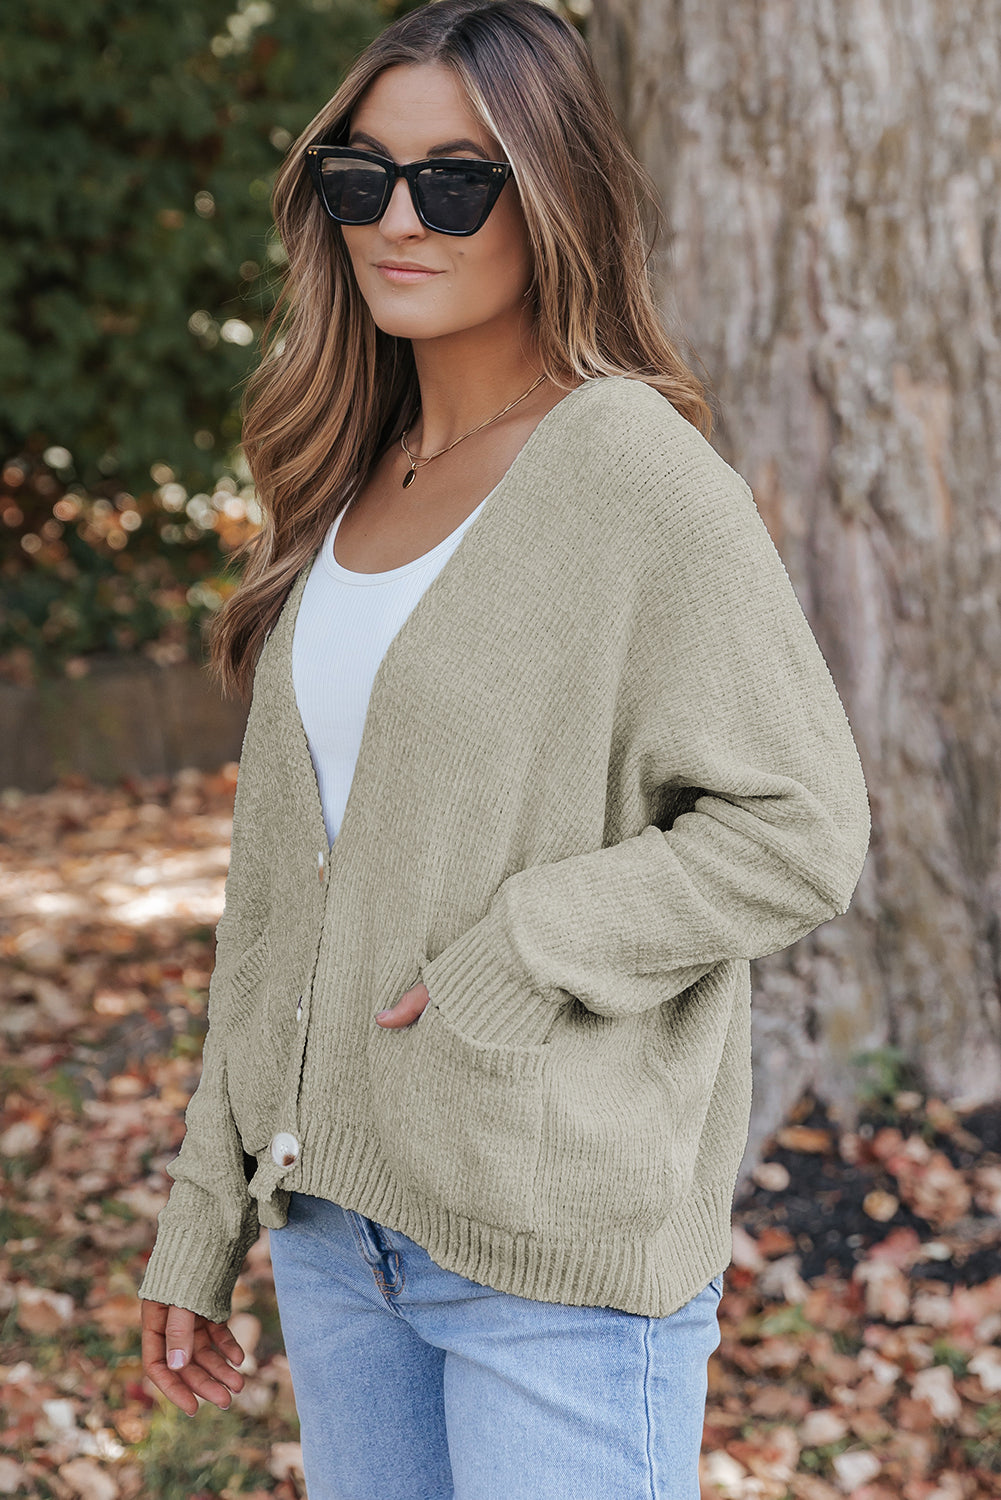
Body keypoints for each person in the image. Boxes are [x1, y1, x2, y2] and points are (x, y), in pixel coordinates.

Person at [138, 1, 871, 1495]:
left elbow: (797, 826)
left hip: (553, 1252)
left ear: (553, 198)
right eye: (363, 177)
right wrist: (207, 1206)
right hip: (334, 1237)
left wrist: (530, 943)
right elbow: (276, 902)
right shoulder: (347, 478)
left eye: (456, 181)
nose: (399, 219)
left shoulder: (635, 472)